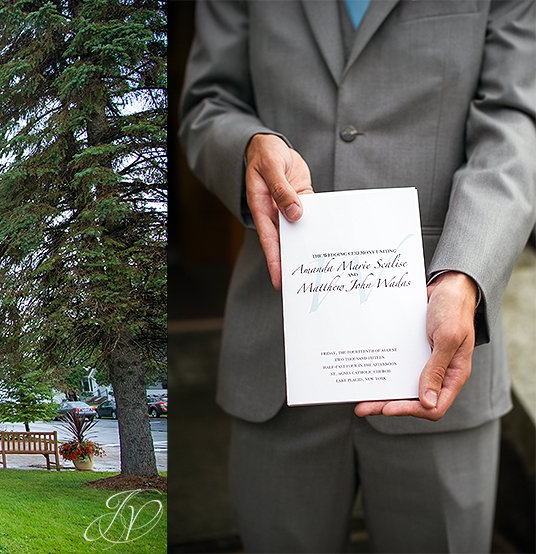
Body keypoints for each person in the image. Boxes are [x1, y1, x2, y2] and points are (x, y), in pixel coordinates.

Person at [178, 1, 536, 552]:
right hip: (279, 352)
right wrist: (246, 147)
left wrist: (466, 271)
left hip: (437, 346)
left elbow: (517, 120)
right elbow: (207, 103)